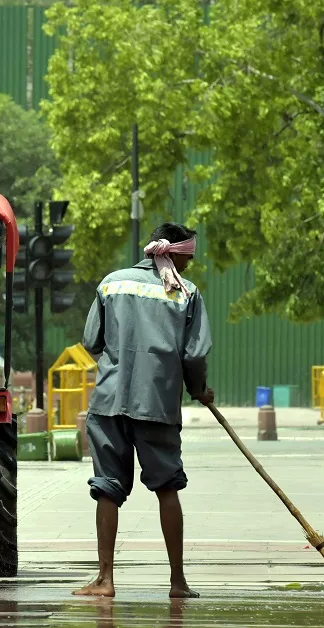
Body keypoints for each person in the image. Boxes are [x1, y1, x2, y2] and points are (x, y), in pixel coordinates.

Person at [74, 222, 213, 600]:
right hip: (158, 404)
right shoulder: (186, 293)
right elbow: (195, 353)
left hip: (109, 403)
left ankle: (105, 579)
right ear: (177, 252)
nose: (191, 264)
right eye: (190, 256)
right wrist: (198, 389)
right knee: (167, 487)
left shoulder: (112, 284)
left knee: (107, 488)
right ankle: (178, 582)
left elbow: (91, 340)